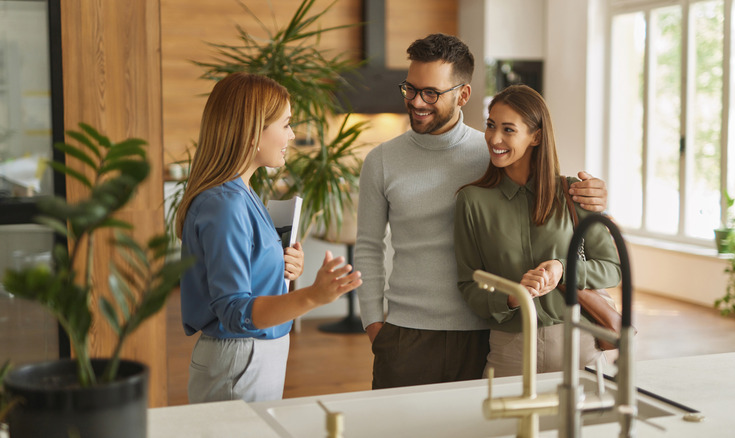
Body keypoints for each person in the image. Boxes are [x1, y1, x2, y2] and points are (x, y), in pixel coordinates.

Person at [355, 33, 609, 389]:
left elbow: (546, 201)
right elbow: (368, 246)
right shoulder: (381, 161)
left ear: (463, 95)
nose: (416, 101)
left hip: (486, 330)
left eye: (431, 93)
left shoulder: (494, 153)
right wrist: (373, 324)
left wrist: (595, 196)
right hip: (407, 333)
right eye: (410, 89)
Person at [175, 72, 363, 403]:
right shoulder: (225, 204)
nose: (292, 135)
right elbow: (235, 312)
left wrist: (282, 264)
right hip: (240, 360)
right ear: (253, 133)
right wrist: (313, 297)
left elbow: (248, 276)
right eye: (286, 124)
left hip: (253, 356)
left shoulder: (243, 192)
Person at [454, 84, 621, 376]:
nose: (494, 138)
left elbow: (612, 269)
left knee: (587, 422)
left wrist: (562, 269)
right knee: (505, 423)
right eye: (491, 126)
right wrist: (510, 295)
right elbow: (469, 285)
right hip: (510, 348)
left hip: (577, 342)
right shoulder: (472, 201)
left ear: (536, 136)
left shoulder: (574, 193)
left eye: (508, 129)